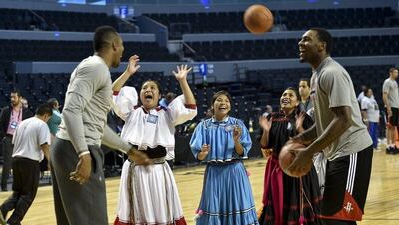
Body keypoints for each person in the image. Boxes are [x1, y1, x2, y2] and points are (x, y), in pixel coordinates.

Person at [50, 26, 149, 225]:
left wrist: (127, 149)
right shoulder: (96, 67)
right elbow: (70, 110)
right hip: (75, 148)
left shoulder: (94, 67)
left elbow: (96, 125)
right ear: (114, 45)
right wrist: (83, 154)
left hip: (68, 146)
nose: (122, 51)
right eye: (121, 46)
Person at [290, 28, 373, 225]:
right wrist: (300, 139)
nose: (300, 43)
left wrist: (309, 151)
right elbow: (324, 123)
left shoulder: (332, 73)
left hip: (353, 151)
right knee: (328, 216)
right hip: (336, 155)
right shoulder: (316, 76)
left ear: (322, 46)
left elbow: (343, 119)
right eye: (300, 40)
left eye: (306, 40)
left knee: (338, 218)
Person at [112, 65, 197, 225]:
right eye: (144, 88)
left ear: (159, 95)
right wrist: (128, 73)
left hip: (158, 171)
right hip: (134, 170)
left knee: (160, 211)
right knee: (135, 211)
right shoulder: (130, 113)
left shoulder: (168, 114)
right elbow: (113, 93)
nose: (148, 90)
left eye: (152, 88)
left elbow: (192, 108)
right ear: (140, 95)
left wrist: (183, 81)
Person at [189, 90, 259, 225]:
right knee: (214, 206)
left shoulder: (237, 124)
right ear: (212, 105)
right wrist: (203, 153)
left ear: (230, 106)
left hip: (235, 172)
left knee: (237, 204)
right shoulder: (203, 126)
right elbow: (199, 156)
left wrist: (236, 140)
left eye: (226, 101)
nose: (223, 103)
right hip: (214, 173)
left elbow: (241, 152)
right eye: (219, 100)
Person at [258, 87, 321, 225]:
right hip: (277, 169)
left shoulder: (303, 117)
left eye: (291, 95)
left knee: (298, 204)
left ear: (297, 102)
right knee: (277, 203)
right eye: (284, 94)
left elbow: (311, 144)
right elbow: (264, 146)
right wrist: (266, 131)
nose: (286, 96)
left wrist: (300, 129)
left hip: (299, 169)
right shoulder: (272, 118)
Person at [0, 103, 52, 225]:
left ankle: (2, 209)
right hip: (30, 162)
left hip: (16, 160)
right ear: (45, 115)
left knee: (18, 193)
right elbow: (44, 144)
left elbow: (13, 142)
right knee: (28, 195)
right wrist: (50, 161)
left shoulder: (22, 123)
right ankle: (13, 222)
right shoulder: (42, 125)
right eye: (48, 118)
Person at [0, 89, 33, 192]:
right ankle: (4, 186)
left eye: (14, 97)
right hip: (9, 138)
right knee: (7, 164)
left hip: (21, 140)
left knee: (20, 164)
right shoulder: (6, 110)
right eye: (11, 97)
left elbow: (31, 126)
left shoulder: (27, 112)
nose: (12, 99)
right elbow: (0, 125)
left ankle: (17, 187)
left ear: (20, 98)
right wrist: (3, 137)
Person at [382, 68, 399, 154]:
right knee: (389, 127)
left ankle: (393, 145)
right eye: (395, 72)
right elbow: (384, 96)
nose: (397, 74)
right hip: (390, 107)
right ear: (391, 73)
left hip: (396, 107)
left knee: (393, 127)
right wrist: (388, 108)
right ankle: (388, 146)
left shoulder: (395, 82)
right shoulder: (387, 82)